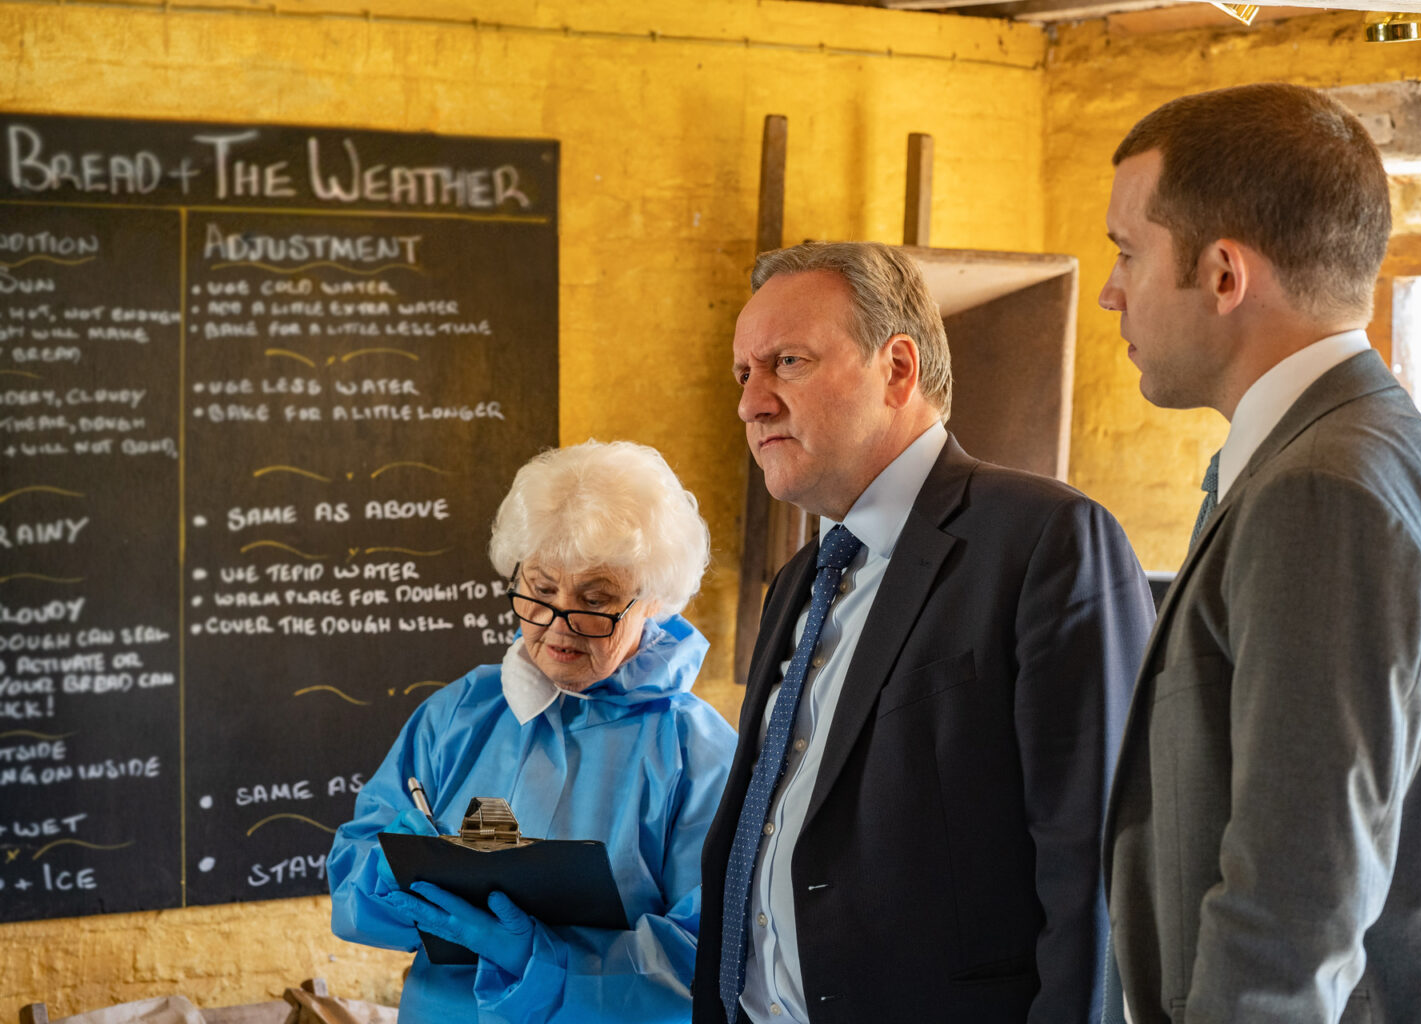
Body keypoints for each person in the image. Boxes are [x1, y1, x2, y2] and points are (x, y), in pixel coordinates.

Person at [1099, 83, 1421, 1023]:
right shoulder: (1388, 447)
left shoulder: (1322, 490)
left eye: (1128, 253)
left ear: (1224, 274)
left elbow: (1293, 908)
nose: (1110, 291)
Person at [693, 241, 1154, 1023]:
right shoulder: (802, 579)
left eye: (788, 363)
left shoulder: (1046, 540)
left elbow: (1097, 870)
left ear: (897, 370)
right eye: (746, 374)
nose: (752, 403)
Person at [328, 440, 737, 1022]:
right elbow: (351, 887)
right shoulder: (458, 713)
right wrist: (389, 870)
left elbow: (714, 958)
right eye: (540, 590)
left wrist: (547, 963)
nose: (556, 624)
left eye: (595, 600)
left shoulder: (698, 753)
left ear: (653, 603)